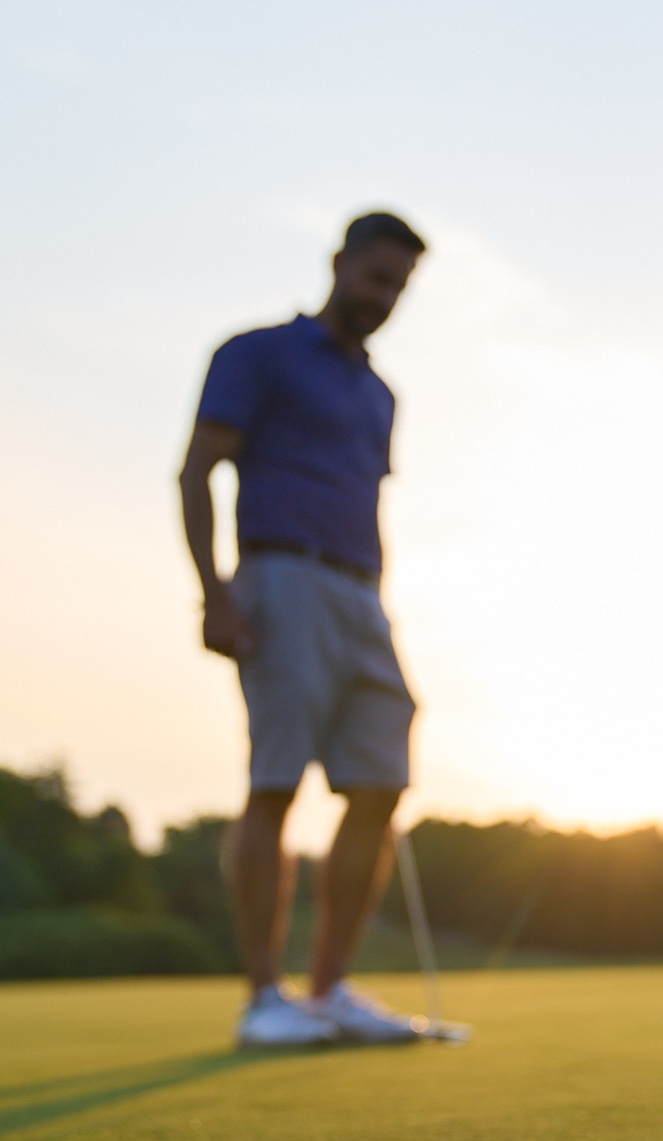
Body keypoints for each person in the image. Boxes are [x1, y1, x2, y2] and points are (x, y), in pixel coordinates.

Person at [178, 211, 447, 1048]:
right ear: (340, 264)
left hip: (361, 593)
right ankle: (266, 996)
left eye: (399, 286)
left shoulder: (380, 394)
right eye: (375, 277)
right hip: (278, 574)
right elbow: (198, 470)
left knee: (381, 783)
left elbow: (365, 501)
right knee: (276, 781)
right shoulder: (256, 353)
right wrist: (215, 592)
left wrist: (379, 595)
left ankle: (327, 991)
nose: (384, 296)